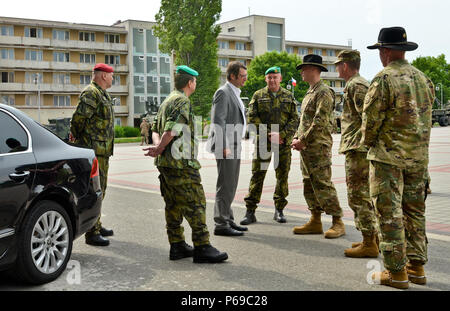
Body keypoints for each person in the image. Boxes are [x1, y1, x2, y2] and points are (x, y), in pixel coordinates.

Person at [363, 27, 435, 289]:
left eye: (381, 50)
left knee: (389, 215)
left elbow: (370, 124)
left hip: (388, 161)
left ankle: (396, 273)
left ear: (387, 51)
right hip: (418, 160)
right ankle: (416, 268)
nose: (380, 55)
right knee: (415, 213)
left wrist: (367, 146)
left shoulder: (383, 79)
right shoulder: (423, 79)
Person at [145, 65, 228, 263]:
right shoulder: (182, 101)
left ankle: (177, 245)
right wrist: (160, 148)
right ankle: (202, 247)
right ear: (190, 82)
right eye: (195, 81)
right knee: (196, 203)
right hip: (181, 164)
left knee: (173, 204)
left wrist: (159, 148)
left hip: (166, 163)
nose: (195, 84)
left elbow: (155, 129)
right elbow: (171, 130)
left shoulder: (167, 100)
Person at [291, 54, 345, 239]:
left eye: (304, 69)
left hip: (318, 146)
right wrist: (297, 137)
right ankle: (315, 220)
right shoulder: (310, 92)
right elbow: (304, 120)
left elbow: (320, 120)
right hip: (306, 146)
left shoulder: (324, 91)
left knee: (323, 183)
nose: (302, 73)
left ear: (314, 70)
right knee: (308, 182)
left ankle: (337, 221)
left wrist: (303, 139)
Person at [240, 66, 299, 225]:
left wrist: (282, 136)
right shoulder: (258, 95)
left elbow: (295, 119)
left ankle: (279, 210)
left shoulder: (288, 96)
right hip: (263, 142)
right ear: (265, 79)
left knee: (282, 176)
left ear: (280, 78)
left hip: (283, 143)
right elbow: (252, 117)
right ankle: (250, 211)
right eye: (269, 77)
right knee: (257, 175)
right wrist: (268, 134)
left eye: (275, 77)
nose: (272, 80)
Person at [334, 50, 379, 257]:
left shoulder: (356, 85)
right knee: (360, 195)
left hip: (358, 149)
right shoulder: (355, 84)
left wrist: (365, 143)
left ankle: (370, 242)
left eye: (338, 65)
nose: (336, 69)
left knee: (358, 195)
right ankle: (370, 239)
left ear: (345, 65)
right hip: (356, 147)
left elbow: (367, 117)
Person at [70, 63, 115, 246]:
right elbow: (79, 119)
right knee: (94, 190)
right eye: (112, 75)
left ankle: (95, 223)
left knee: (100, 189)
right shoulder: (91, 93)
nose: (113, 78)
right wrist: (79, 138)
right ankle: (92, 233)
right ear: (103, 75)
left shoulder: (102, 93)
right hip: (93, 150)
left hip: (101, 150)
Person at [206, 61, 248, 237]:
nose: (245, 79)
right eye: (242, 76)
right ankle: (221, 223)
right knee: (225, 185)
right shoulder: (223, 93)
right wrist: (223, 145)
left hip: (234, 144)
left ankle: (228, 219)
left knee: (231, 184)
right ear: (232, 76)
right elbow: (218, 121)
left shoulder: (235, 93)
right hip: (227, 146)